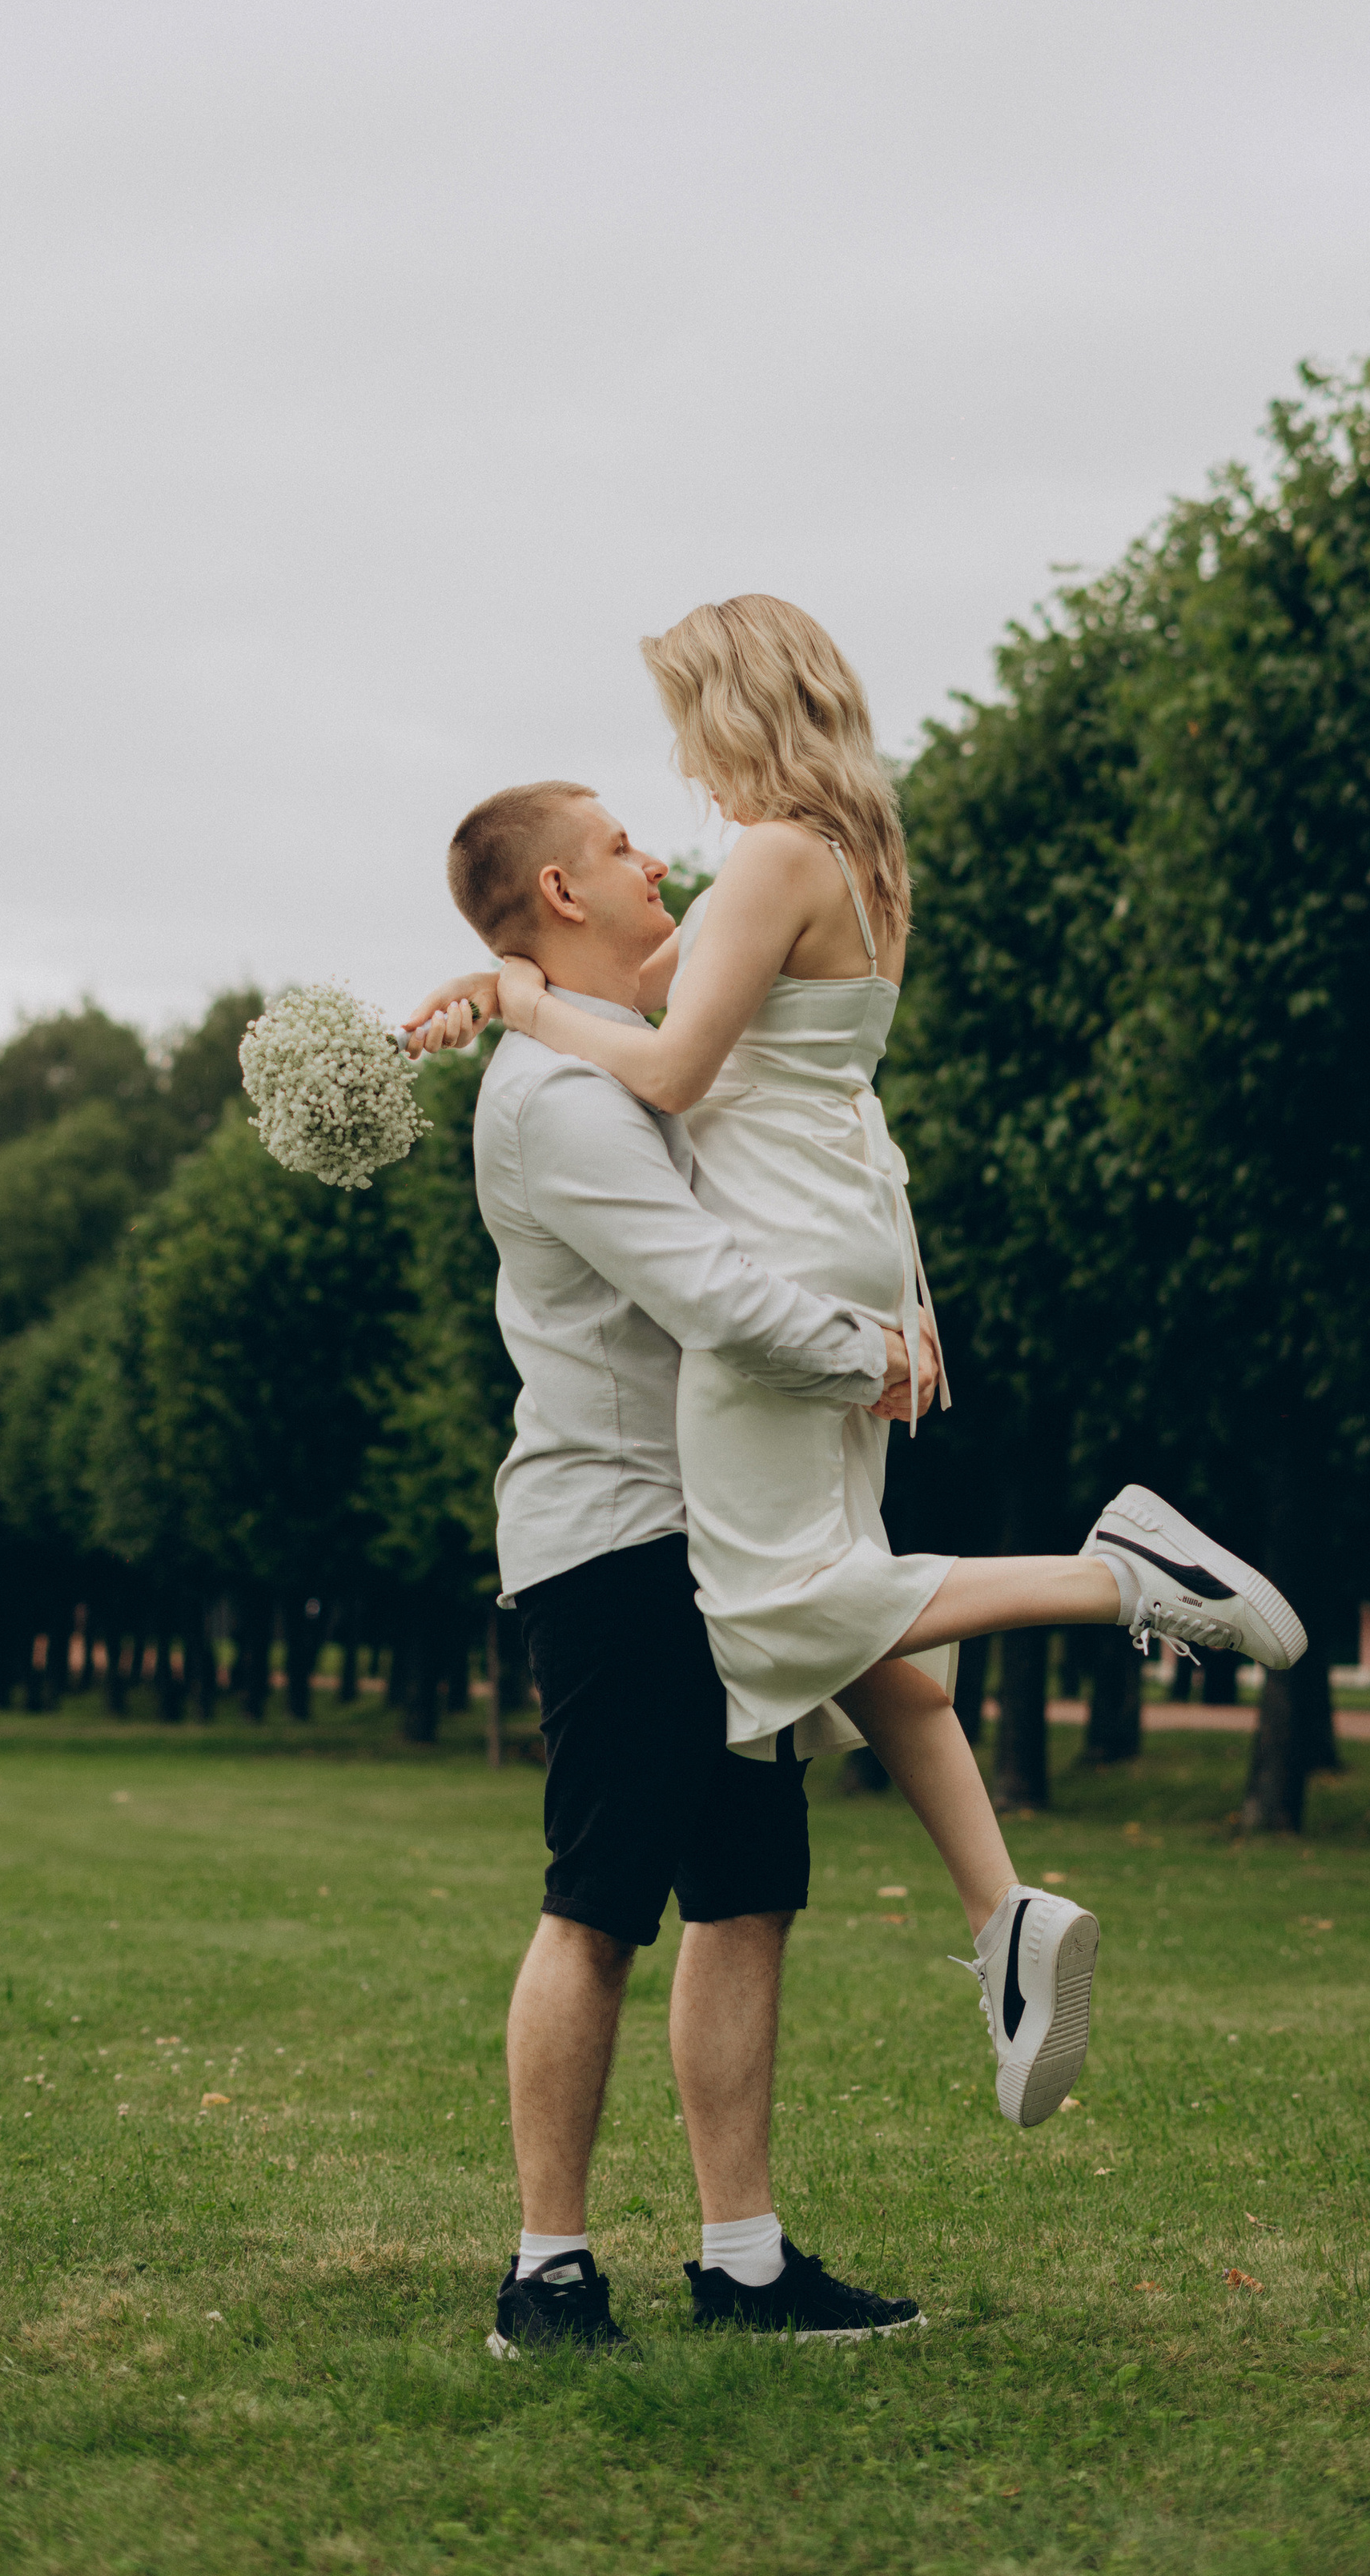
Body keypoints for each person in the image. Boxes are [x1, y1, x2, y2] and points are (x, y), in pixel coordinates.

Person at [413, 600, 1308, 2145]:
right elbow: (658, 992)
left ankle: (1119, 1576)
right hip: (843, 1226)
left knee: (772, 1605)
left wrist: (523, 1000)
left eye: (687, 723)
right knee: (845, 1598)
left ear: (737, 707)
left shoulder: (769, 857)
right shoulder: (838, 849)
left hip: (786, 1256)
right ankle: (1003, 1918)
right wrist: (507, 984)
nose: (677, 786)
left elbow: (675, 1064)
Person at [425, 778, 937, 2358]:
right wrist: (867, 1357)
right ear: (563, 893)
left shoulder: (624, 1063)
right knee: (599, 1900)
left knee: (744, 1892)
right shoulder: (558, 1103)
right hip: (618, 1543)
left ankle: (744, 2262)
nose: (658, 857)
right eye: (624, 844)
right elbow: (713, 1294)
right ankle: (547, 2273)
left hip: (712, 1530)